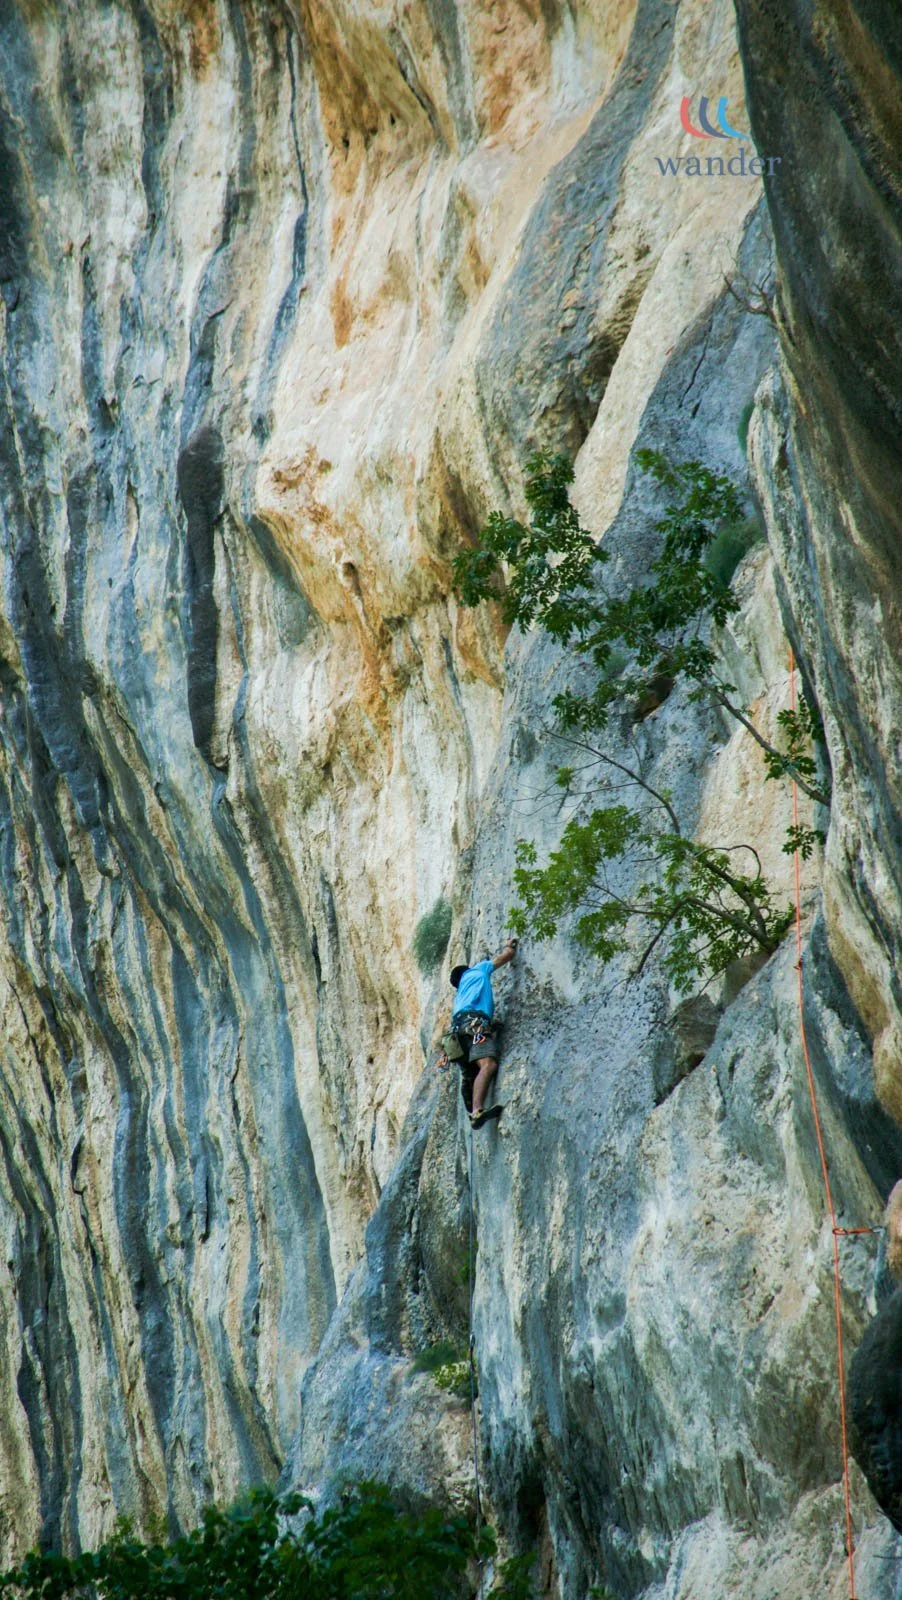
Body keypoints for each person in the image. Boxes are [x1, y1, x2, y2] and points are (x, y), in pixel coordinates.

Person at [448, 937, 518, 1127]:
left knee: (469, 1071)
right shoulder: (477, 970)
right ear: (466, 971)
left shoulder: (460, 996)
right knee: (488, 1064)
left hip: (456, 1033)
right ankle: (476, 1111)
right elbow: (507, 956)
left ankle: (470, 1098)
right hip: (474, 1025)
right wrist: (508, 946)